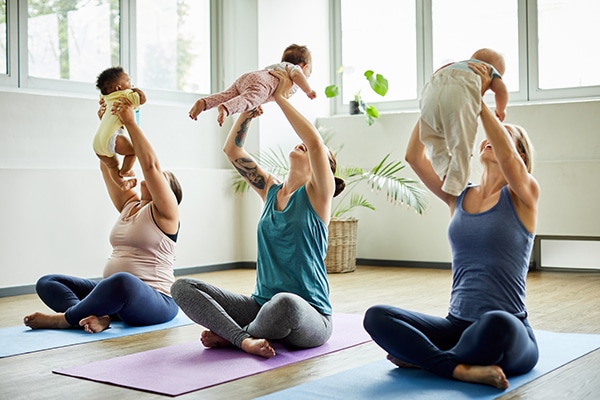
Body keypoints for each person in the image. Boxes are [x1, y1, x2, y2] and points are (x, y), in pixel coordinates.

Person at [363, 62, 539, 390]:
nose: (492, 140)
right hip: (455, 325)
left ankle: (425, 358)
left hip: (509, 330)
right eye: (491, 137)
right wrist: (435, 92)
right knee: (376, 316)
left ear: (519, 155)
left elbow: (510, 161)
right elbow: (414, 157)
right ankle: (457, 368)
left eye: (505, 138)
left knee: (494, 324)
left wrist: (474, 94)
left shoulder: (525, 195)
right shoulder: (457, 194)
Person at [172, 68, 345, 358]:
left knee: (285, 304)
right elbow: (232, 150)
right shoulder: (270, 190)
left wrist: (278, 95)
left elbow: (315, 141)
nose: (308, 147)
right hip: (260, 306)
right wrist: (248, 110)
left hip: (309, 315)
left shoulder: (318, 196)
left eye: (319, 153)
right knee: (182, 287)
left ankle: (238, 335)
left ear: (323, 168)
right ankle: (243, 338)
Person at [24, 96, 183, 334]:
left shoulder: (167, 215)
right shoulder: (130, 205)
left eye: (162, 179)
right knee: (48, 282)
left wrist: (131, 122)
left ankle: (63, 320)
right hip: (115, 295)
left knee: (123, 281)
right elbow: (106, 165)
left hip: (156, 301)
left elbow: (150, 166)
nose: (153, 178)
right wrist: (106, 125)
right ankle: (93, 317)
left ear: (167, 192)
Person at [419, 48, 508, 196]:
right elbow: (502, 90)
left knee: (431, 136)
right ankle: (455, 183)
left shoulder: (456, 65)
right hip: (457, 94)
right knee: (462, 142)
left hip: (431, 91)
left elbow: (438, 73)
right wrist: (501, 110)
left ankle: (442, 166)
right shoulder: (488, 70)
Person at [188, 43, 317, 126]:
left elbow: (268, 89)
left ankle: (204, 103)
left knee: (227, 94)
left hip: (248, 77)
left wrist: (258, 102)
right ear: (304, 66)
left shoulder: (279, 66)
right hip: (261, 83)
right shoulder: (294, 69)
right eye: (308, 73)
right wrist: (308, 90)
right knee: (249, 99)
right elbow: (297, 76)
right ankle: (226, 109)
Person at [93, 66, 147, 191]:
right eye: (128, 81)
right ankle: (125, 171)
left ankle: (122, 184)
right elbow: (142, 99)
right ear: (118, 88)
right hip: (112, 137)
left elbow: (102, 93)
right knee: (133, 151)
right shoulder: (126, 94)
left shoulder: (105, 97)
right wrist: (134, 90)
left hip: (97, 143)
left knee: (112, 166)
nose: (131, 84)